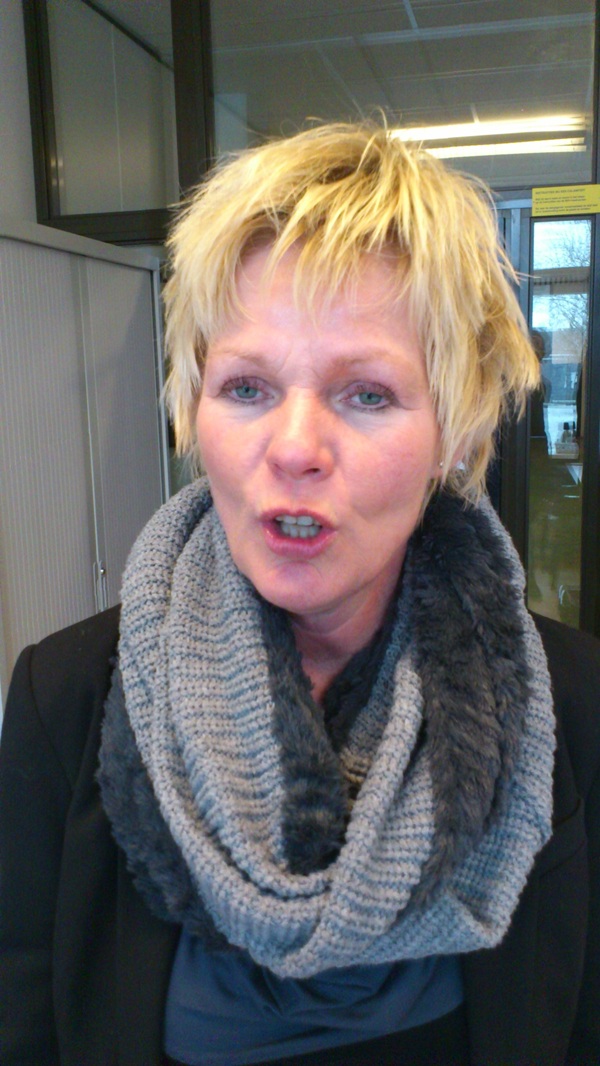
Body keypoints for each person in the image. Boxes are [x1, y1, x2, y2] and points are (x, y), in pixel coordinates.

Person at [1, 123, 598, 1066]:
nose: (292, 448)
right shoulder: (65, 697)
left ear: (453, 428)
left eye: (367, 395)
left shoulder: (569, 700)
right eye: (247, 387)